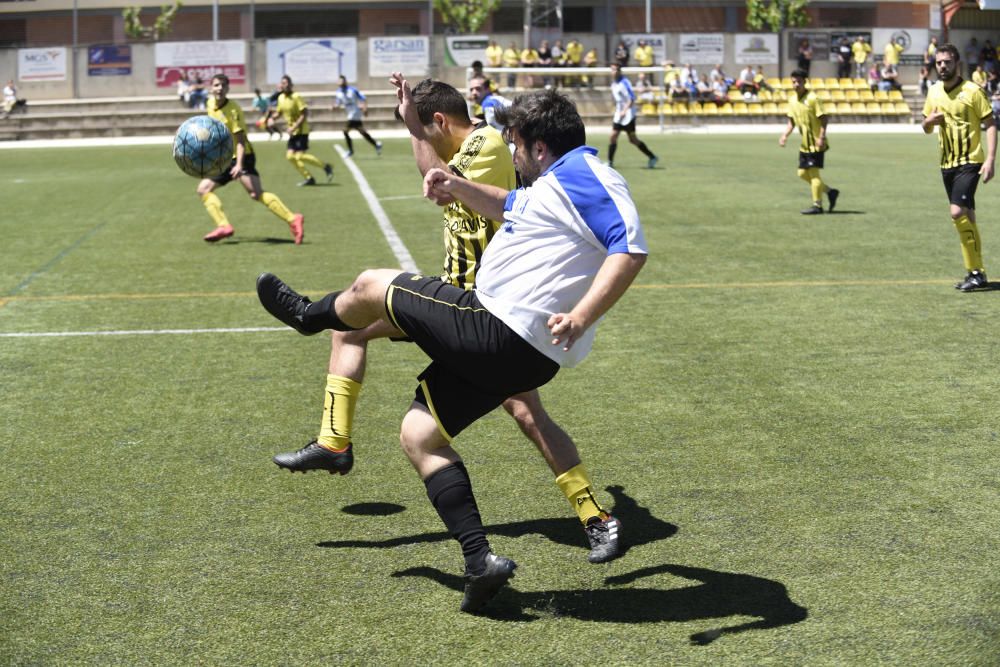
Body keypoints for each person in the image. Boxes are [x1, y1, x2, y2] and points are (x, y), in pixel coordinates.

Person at [257, 87, 646, 613]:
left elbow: (629, 247)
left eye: (516, 146)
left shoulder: (587, 174)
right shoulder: (551, 185)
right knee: (419, 436)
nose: (511, 156)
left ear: (536, 145)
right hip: (516, 349)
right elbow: (507, 203)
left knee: (373, 284)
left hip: (495, 324)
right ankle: (480, 563)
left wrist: (582, 315)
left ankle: (308, 317)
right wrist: (457, 186)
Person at [197, 74, 304, 244]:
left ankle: (293, 219)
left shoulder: (232, 110)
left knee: (256, 193)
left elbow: (239, 141)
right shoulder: (210, 104)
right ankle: (223, 226)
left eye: (223, 85)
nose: (220, 88)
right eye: (216, 85)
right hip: (225, 157)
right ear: (211, 88)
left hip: (242, 156)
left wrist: (238, 165)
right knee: (204, 189)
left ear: (228, 89)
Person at [922, 43, 995, 292]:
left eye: (947, 62)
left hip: (970, 162)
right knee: (968, 217)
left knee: (956, 212)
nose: (942, 66)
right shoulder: (933, 92)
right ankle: (977, 273)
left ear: (957, 64)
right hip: (947, 164)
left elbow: (991, 123)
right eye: (939, 62)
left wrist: (990, 159)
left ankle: (975, 271)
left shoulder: (973, 91)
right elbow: (926, 125)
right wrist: (929, 121)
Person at [779, 69, 840, 215]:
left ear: (805, 82)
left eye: (799, 81)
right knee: (801, 173)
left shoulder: (813, 98)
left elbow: (824, 118)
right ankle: (830, 192)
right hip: (804, 145)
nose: (796, 84)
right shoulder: (792, 100)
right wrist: (784, 135)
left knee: (814, 175)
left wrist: (822, 137)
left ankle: (817, 205)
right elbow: (791, 122)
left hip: (816, 143)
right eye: (794, 82)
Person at [275, 75, 333, 186]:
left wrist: (294, 127)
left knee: (299, 156)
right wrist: (271, 119)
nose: (284, 85)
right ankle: (309, 178)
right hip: (292, 132)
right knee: (290, 157)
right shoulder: (280, 98)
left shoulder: (296, 97)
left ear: (291, 85)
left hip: (301, 131)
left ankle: (325, 166)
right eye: (283, 83)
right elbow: (279, 112)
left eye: (286, 83)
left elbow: (304, 114)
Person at [608, 62, 658, 169]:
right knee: (613, 136)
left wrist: (624, 111)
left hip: (628, 116)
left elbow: (632, 98)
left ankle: (652, 157)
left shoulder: (625, 82)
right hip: (619, 115)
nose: (613, 72)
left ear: (619, 71)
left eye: (615, 69)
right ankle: (610, 163)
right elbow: (618, 99)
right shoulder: (613, 84)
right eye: (612, 69)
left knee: (633, 140)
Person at [333, 75, 382, 158]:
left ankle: (351, 151)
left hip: (355, 112)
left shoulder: (352, 90)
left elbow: (363, 98)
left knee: (345, 131)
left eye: (342, 81)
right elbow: (338, 103)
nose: (340, 83)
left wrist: (365, 108)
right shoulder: (338, 92)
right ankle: (376, 144)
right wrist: (334, 107)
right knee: (362, 131)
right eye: (339, 81)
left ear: (345, 81)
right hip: (349, 113)